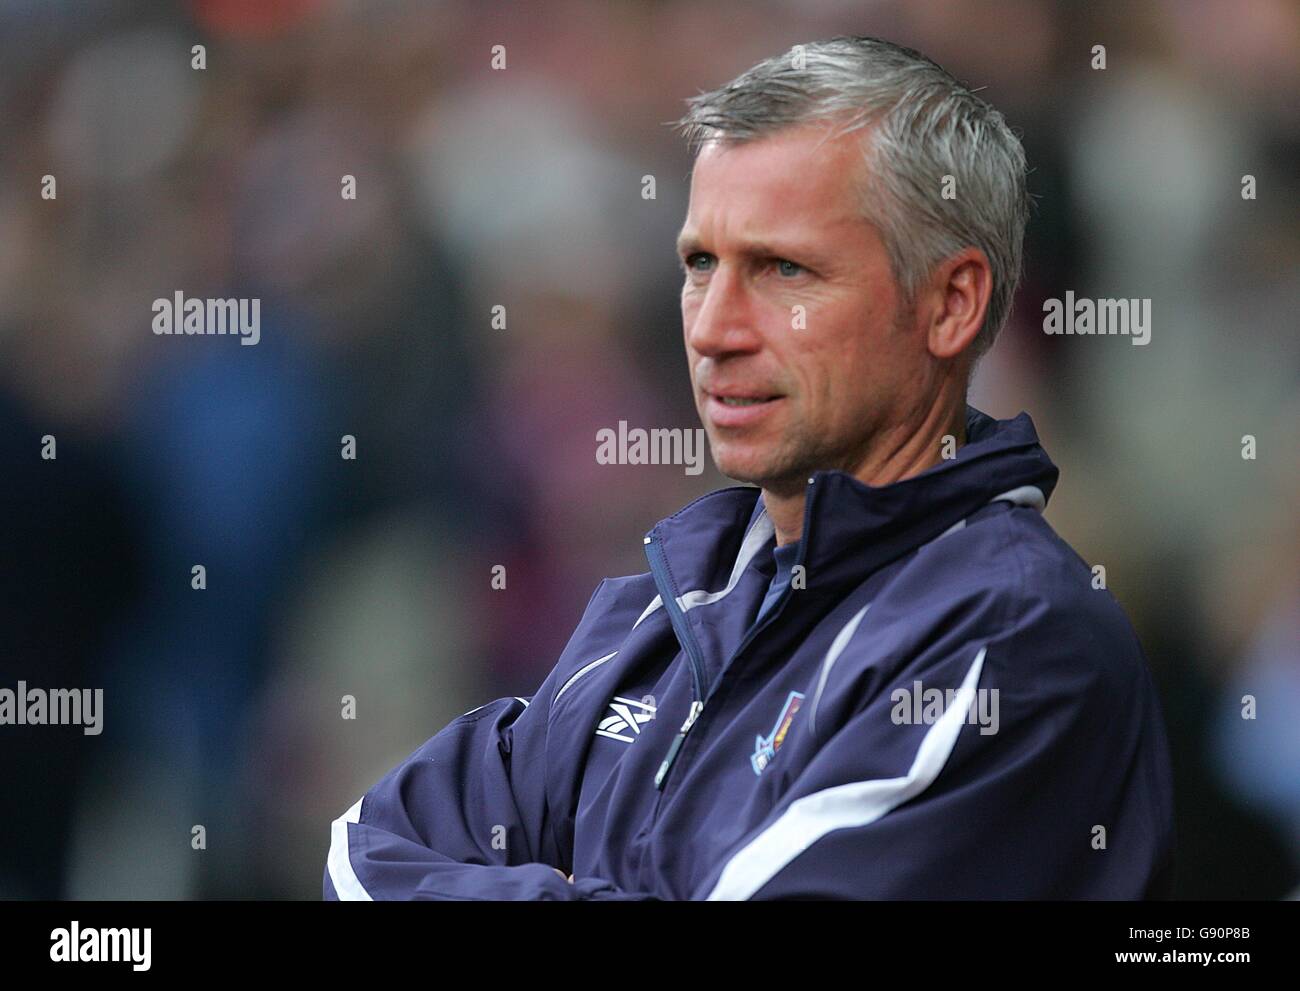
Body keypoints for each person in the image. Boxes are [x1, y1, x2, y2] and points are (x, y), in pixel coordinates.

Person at [324, 36, 1175, 900]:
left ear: (951, 303)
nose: (713, 328)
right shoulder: (664, 605)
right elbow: (359, 854)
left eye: (783, 269)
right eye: (701, 264)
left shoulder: (1014, 635)